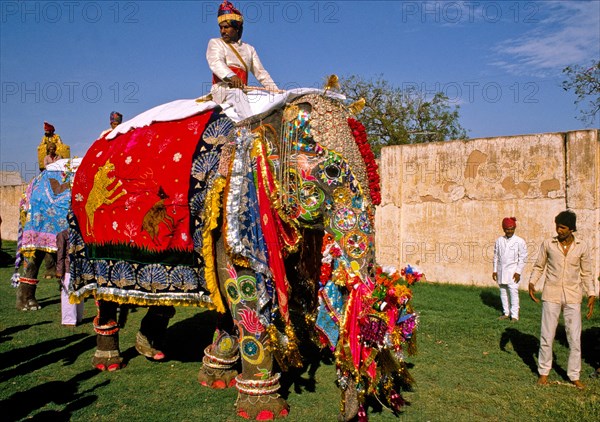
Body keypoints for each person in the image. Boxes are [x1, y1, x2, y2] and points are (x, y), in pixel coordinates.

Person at [528, 210, 596, 389]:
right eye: (557, 227)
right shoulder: (548, 244)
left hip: (573, 296)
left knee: (574, 337)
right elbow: (539, 266)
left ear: (571, 229)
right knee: (547, 335)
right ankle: (544, 373)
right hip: (551, 295)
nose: (559, 230)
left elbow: (587, 272)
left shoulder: (582, 246)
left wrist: (591, 293)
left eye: (563, 228)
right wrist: (532, 282)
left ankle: (574, 375)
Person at [206, 0, 278, 120]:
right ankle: (251, 129)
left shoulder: (249, 49)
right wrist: (231, 76)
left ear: (237, 28)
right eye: (221, 27)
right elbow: (216, 62)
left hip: (244, 90)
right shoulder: (215, 43)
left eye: (226, 27)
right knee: (237, 94)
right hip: (223, 89)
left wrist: (276, 91)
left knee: (267, 99)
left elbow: (261, 73)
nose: (223, 31)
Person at [492, 217, 527, 321]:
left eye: (512, 228)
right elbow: (496, 256)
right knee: (503, 291)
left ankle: (515, 315)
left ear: (514, 228)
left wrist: (518, 272)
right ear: (504, 229)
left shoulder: (520, 241)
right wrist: (494, 270)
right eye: (507, 229)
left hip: (513, 272)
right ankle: (506, 312)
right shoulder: (499, 240)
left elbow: (523, 257)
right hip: (501, 270)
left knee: (513, 292)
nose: (510, 231)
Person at [56, 229, 84, 326]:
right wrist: (60, 271)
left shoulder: (81, 233)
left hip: (77, 268)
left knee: (72, 293)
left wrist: (59, 271)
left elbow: (60, 255)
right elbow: (61, 254)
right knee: (72, 293)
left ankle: (71, 319)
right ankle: (73, 318)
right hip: (71, 268)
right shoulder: (63, 235)